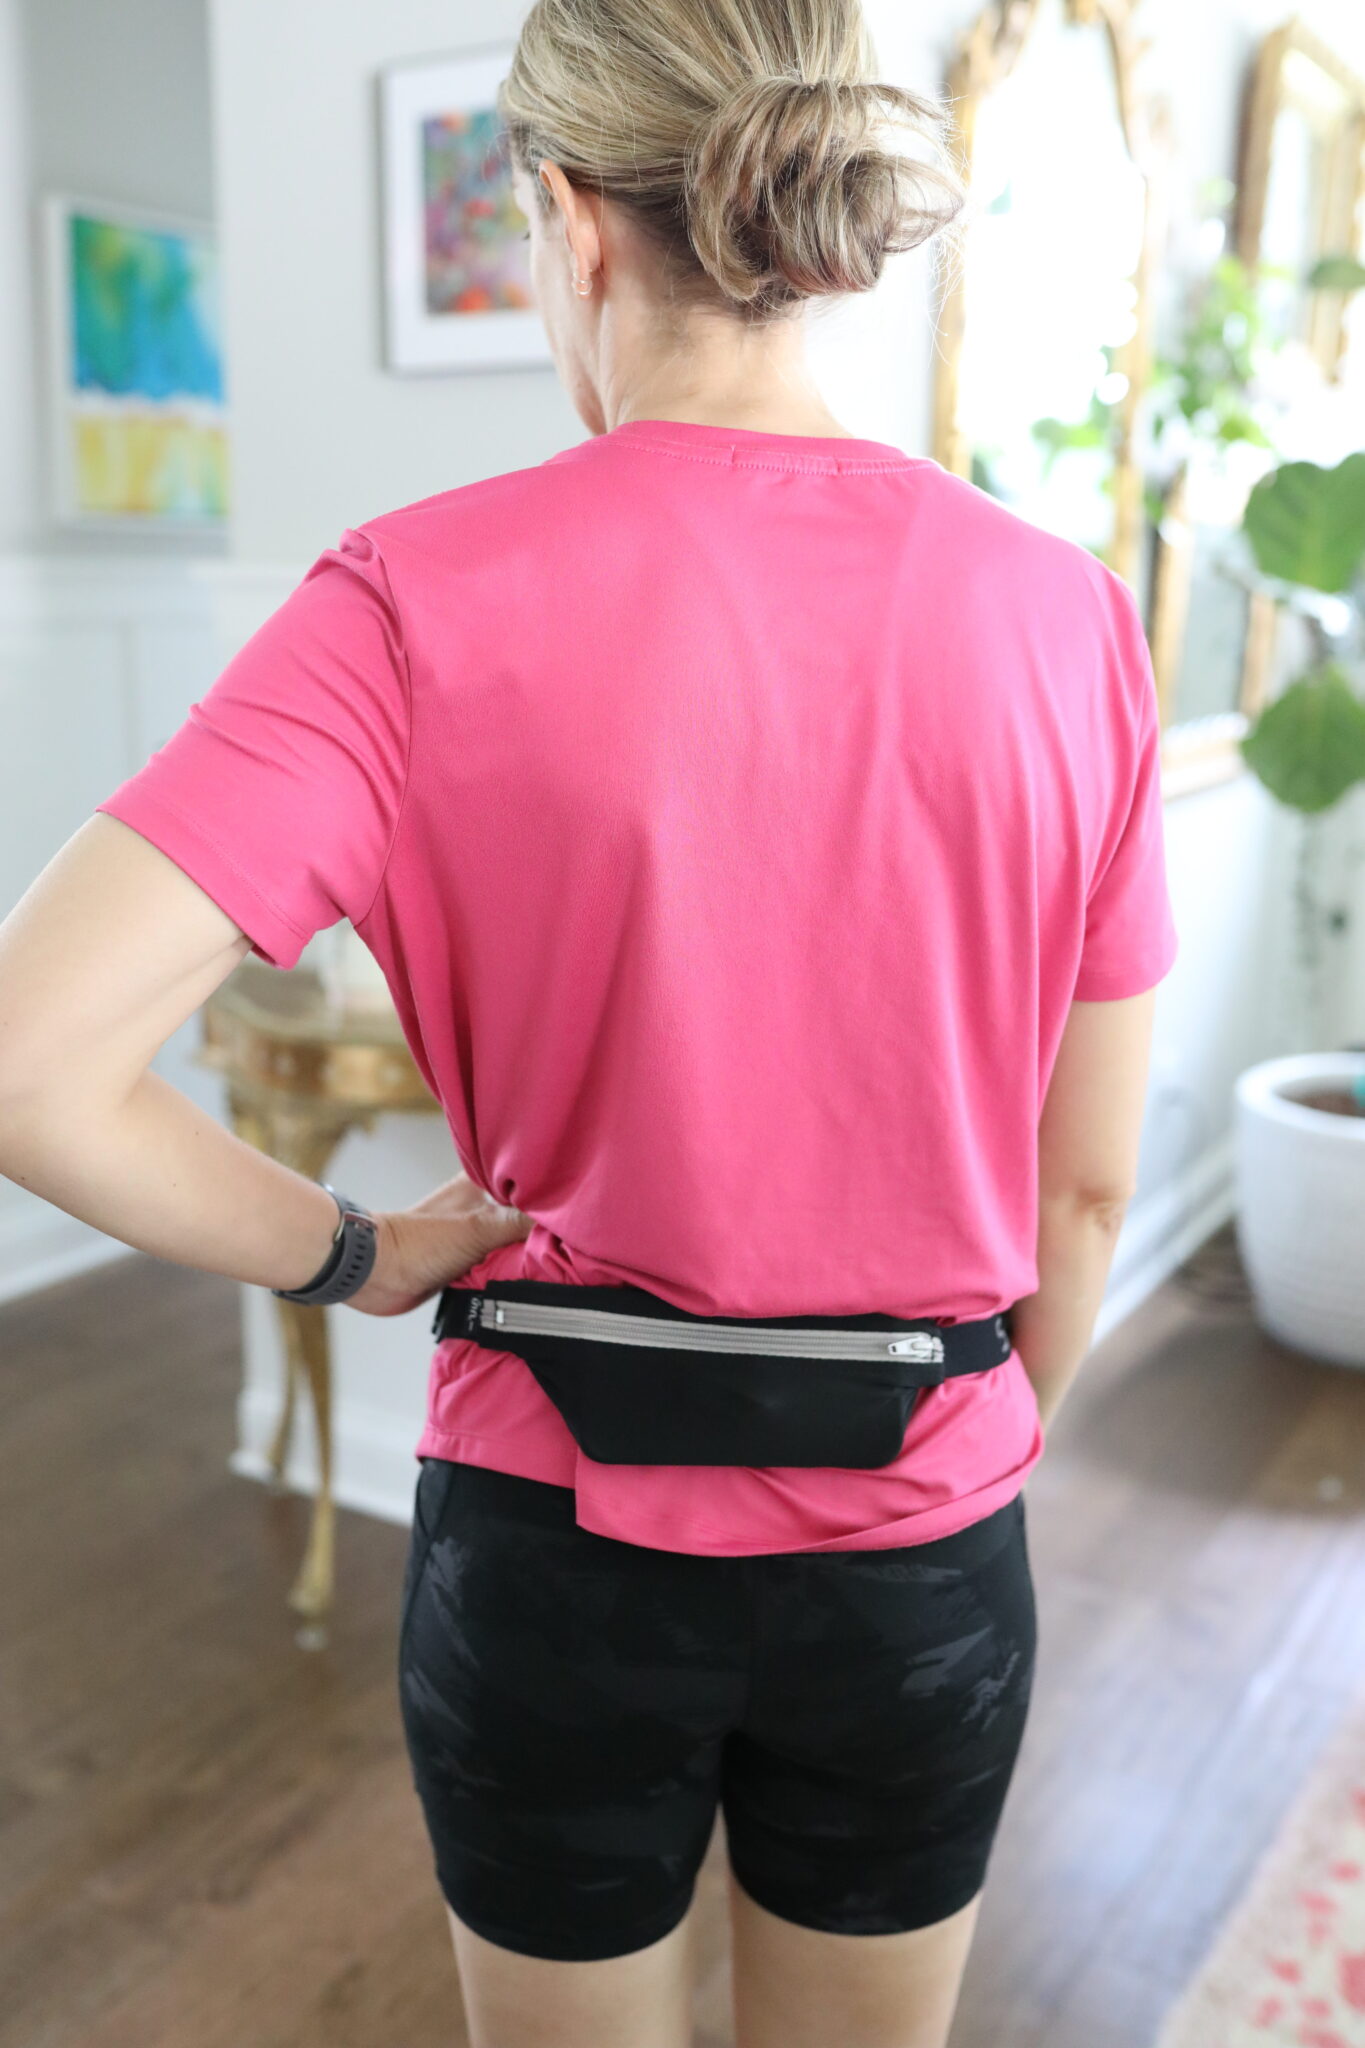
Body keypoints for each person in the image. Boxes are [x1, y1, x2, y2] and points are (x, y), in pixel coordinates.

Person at [0, 0, 1179, 2042]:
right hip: (920, 1540)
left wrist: (354, 1251)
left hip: (550, 1561)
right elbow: (1083, 1195)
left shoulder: (402, 600)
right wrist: (953, 1474)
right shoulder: (1062, 614)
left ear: (562, 215)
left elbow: (30, 1065)